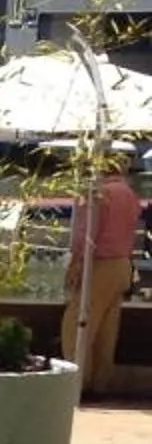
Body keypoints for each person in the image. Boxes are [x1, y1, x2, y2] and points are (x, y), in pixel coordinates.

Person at [72, 152, 144, 394]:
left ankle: (78, 382)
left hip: (100, 265)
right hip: (121, 264)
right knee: (106, 329)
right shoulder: (130, 194)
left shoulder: (99, 194)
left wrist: (76, 262)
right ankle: (100, 383)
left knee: (77, 325)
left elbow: (88, 233)